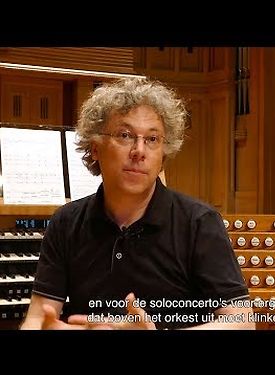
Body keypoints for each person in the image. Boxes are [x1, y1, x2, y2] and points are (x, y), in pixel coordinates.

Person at [20, 77, 255, 330]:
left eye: (152, 139)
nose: (139, 150)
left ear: (163, 153)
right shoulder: (66, 221)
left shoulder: (199, 222)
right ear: (95, 147)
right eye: (125, 135)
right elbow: (37, 317)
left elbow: (242, 321)